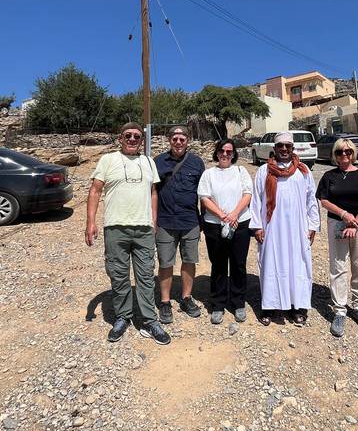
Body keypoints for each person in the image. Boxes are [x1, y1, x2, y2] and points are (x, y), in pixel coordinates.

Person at [85, 123, 170, 346]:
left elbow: (153, 192)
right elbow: (95, 190)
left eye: (137, 136)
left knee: (145, 276)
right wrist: (90, 222)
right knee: (119, 274)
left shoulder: (148, 162)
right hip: (115, 227)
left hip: (143, 229)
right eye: (128, 135)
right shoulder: (108, 160)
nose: (132, 139)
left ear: (141, 140)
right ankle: (123, 316)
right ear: (120, 138)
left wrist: (153, 220)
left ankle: (149, 320)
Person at [250, 131, 320, 326]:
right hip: (271, 227)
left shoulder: (303, 171)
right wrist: (257, 226)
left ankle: (297, 307)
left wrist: (313, 225)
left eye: (287, 146)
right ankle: (270, 307)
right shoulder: (264, 171)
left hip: (298, 228)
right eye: (280, 146)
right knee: (270, 264)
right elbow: (256, 200)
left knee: (298, 265)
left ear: (292, 148)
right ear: (274, 148)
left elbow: (311, 200)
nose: (284, 149)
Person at [317, 137, 358, 338]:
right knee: (338, 266)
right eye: (339, 152)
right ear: (335, 155)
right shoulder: (329, 176)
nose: (344, 155)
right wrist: (344, 215)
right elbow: (324, 200)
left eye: (348, 151)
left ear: (353, 153)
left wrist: (355, 222)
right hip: (337, 224)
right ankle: (339, 311)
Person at [198, 138, 253, 324]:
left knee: (238, 264)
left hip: (240, 223)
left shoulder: (241, 171)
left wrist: (234, 214)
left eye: (229, 151)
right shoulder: (208, 174)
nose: (225, 154)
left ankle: (238, 303)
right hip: (215, 224)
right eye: (222, 150)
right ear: (217, 152)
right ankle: (218, 304)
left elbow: (247, 194)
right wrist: (222, 215)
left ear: (233, 154)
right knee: (219, 265)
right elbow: (204, 198)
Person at [154, 125, 205, 324]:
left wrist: (203, 219)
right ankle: (165, 301)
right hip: (165, 221)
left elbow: (203, 193)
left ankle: (186, 297)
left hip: (190, 221)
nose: (178, 142)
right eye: (174, 139)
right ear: (169, 140)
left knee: (189, 261)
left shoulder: (197, 163)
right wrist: (152, 219)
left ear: (187, 140)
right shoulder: (158, 161)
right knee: (166, 262)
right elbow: (152, 192)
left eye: (182, 139)